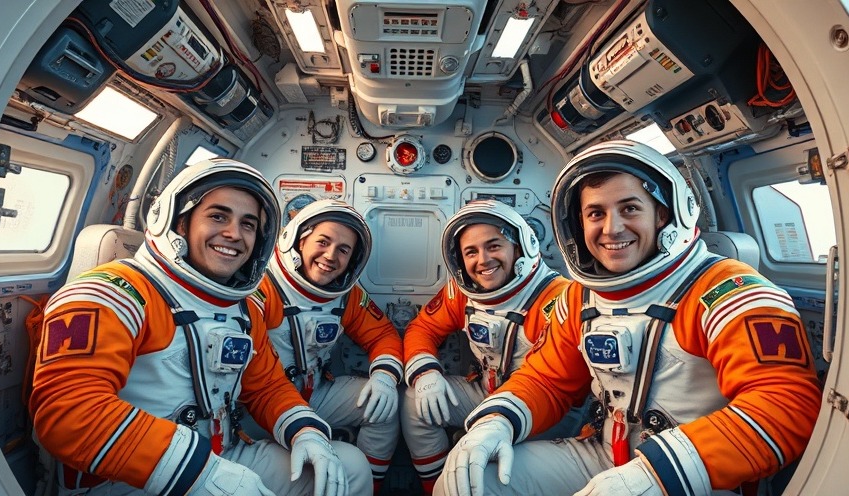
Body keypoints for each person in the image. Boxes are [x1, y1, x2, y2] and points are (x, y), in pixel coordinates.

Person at [435, 140, 822, 495]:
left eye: (630, 208)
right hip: (604, 454)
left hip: (694, 477)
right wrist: (497, 421)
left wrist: (658, 473)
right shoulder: (580, 296)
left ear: (667, 215)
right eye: (596, 213)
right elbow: (548, 380)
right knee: (473, 480)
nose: (612, 228)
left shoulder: (726, 290)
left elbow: (786, 404)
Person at [30, 159, 372, 496]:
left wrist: (305, 431)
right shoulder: (113, 294)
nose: (234, 234)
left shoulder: (244, 308)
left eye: (248, 224)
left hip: (222, 455)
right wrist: (196, 472)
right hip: (131, 479)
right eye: (218, 216)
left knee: (348, 467)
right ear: (179, 222)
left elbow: (266, 387)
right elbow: (68, 412)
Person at [401, 200, 575, 494]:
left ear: (519, 248)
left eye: (493, 246)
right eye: (471, 252)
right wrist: (426, 373)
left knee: (490, 475)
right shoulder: (463, 292)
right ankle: (434, 487)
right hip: (486, 391)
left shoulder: (555, 298)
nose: (482, 260)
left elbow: (553, 385)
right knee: (413, 400)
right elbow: (423, 328)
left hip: (543, 411)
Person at [257, 199, 403, 493]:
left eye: (343, 250)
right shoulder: (263, 286)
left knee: (386, 405)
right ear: (299, 240)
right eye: (323, 242)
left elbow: (383, 335)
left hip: (313, 394)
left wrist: (385, 377)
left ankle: (369, 486)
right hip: (258, 407)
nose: (331, 256)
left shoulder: (345, 295)